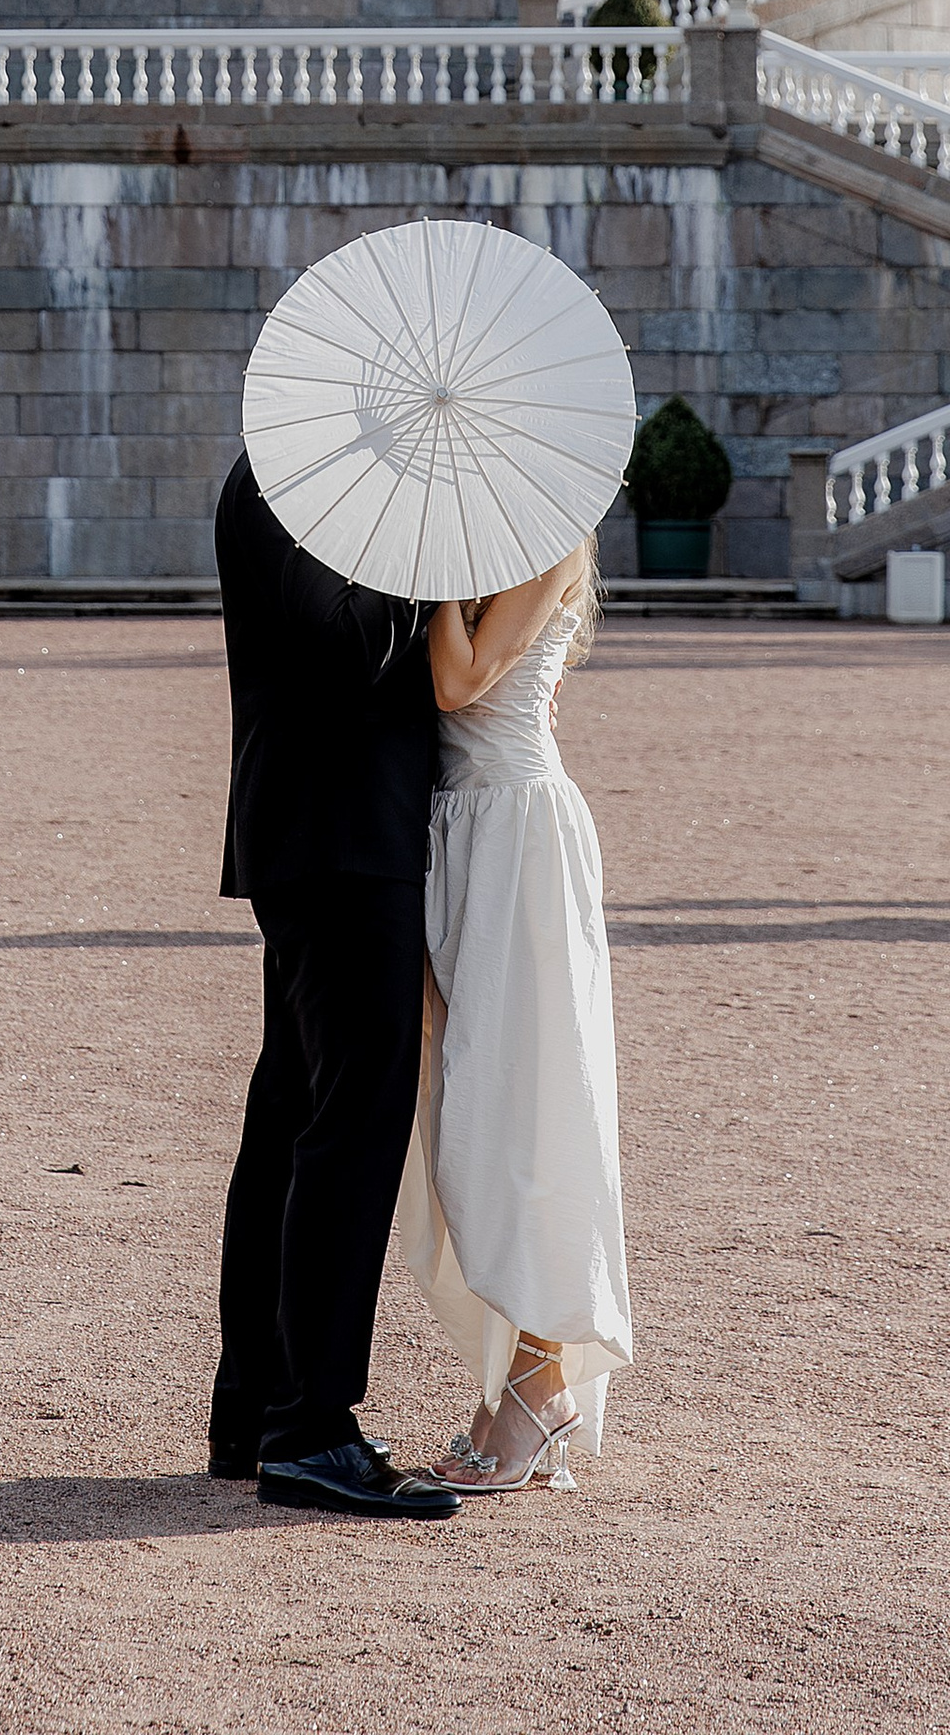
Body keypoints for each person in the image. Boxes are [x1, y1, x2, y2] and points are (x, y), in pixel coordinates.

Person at [209, 448, 461, 1521]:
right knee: (349, 1122)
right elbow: (350, 642)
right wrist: (439, 552)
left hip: (334, 830)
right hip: (337, 834)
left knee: (294, 1115)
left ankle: (255, 1413)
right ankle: (309, 1428)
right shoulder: (292, 477)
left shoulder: (300, 473)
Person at [394, 537, 631, 1496]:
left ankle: (537, 1383)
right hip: (459, 831)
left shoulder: (550, 538)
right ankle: (520, 1381)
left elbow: (458, 682)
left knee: (530, 1111)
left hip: (520, 837)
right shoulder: (478, 541)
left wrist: (429, 576)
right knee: (471, 1118)